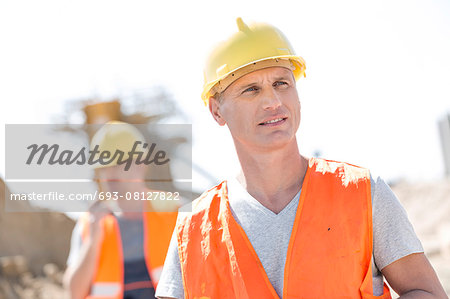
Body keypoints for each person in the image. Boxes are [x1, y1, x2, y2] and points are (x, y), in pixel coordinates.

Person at [155, 18, 448, 299]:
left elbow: (427, 293)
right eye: (251, 90)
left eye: (282, 83)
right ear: (217, 111)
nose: (273, 102)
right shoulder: (193, 228)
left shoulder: (362, 193)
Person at [63, 121, 178, 299]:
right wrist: (93, 241)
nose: (110, 175)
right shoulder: (89, 224)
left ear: (141, 165)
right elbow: (75, 293)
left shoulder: (175, 212)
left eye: (118, 165)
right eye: (104, 168)